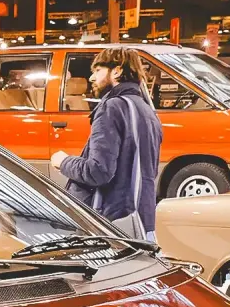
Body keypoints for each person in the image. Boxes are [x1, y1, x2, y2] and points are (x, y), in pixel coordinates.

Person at [51, 46, 163, 241]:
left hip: (112, 224)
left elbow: (98, 171)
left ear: (117, 71)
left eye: (97, 70)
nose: (92, 78)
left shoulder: (112, 107)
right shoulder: (146, 110)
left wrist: (63, 162)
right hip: (142, 221)